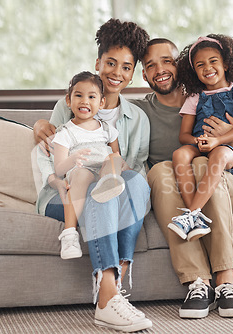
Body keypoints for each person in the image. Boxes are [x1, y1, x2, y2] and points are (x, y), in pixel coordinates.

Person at [34, 19, 152, 332]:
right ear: (97, 62)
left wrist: (115, 170)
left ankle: (114, 280)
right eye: (110, 63)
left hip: (112, 187)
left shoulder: (137, 118)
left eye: (126, 67)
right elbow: (52, 156)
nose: (117, 73)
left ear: (133, 72)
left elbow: (135, 168)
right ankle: (108, 298)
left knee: (132, 183)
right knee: (101, 189)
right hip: (68, 193)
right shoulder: (69, 104)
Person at [132, 38, 233, 319]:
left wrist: (232, 140)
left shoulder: (227, 100)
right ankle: (198, 283)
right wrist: (47, 123)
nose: (160, 70)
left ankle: (226, 281)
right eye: (151, 65)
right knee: (160, 171)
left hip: (226, 188)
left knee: (203, 163)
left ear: (180, 65)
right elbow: (94, 104)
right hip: (177, 188)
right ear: (143, 75)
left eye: (167, 61)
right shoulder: (139, 111)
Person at [167, 34, 233, 242]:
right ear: (194, 72)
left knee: (219, 155)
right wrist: (198, 142)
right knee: (179, 154)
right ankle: (193, 215)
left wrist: (218, 140)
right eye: (200, 65)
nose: (207, 67)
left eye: (213, 61)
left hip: (227, 148)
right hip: (201, 143)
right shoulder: (194, 97)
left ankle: (192, 212)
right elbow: (184, 135)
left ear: (225, 64)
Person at [44, 71, 126, 260]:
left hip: (104, 172)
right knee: (81, 174)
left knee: (114, 158)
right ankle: (70, 234)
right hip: (82, 171)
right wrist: (73, 159)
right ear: (68, 100)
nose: (84, 101)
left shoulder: (107, 129)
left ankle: (109, 186)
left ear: (101, 102)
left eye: (91, 97)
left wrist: (122, 166)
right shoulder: (65, 132)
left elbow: (116, 154)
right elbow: (59, 169)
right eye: (78, 95)